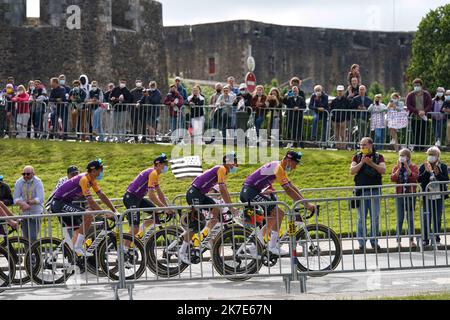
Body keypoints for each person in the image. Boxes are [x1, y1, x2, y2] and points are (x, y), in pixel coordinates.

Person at [240, 151, 316, 256]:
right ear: (288, 160)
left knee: (273, 217)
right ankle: (272, 246)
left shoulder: (280, 168)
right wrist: (307, 205)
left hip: (251, 191)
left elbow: (292, 186)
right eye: (295, 164)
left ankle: (255, 246)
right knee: (279, 213)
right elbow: (287, 189)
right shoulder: (278, 168)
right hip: (249, 192)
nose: (295, 168)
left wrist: (305, 202)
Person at [179, 153, 240, 264]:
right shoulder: (221, 168)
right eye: (235, 162)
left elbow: (224, 190)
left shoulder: (222, 171)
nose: (237, 165)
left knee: (216, 210)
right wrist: (231, 207)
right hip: (195, 194)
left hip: (200, 194)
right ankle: (182, 251)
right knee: (195, 225)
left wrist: (230, 206)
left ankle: (204, 236)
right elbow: (221, 189)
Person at [50, 159, 117, 256]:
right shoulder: (84, 179)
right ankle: (77, 248)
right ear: (94, 171)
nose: (102, 172)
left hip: (65, 203)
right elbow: (91, 201)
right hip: (59, 204)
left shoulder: (92, 180)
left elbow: (101, 195)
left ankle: (73, 256)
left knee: (78, 230)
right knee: (88, 216)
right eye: (101, 169)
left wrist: (114, 210)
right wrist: (105, 213)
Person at [123, 154, 173, 243]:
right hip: (131, 198)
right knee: (134, 228)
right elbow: (151, 196)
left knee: (156, 213)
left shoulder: (155, 174)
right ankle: (124, 250)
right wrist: (164, 208)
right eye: (165, 164)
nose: (166, 166)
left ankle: (139, 234)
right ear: (158, 164)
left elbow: (159, 193)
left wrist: (167, 207)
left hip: (138, 198)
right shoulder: (153, 173)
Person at [350, 137, 386, 250]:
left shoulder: (378, 156)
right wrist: (361, 162)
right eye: (361, 145)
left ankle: (374, 242)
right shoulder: (357, 156)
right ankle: (361, 242)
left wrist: (371, 164)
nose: (362, 147)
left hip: (375, 191)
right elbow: (352, 170)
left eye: (364, 144)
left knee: (374, 217)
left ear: (371, 145)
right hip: (361, 192)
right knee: (361, 218)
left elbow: (383, 170)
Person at [418, 147, 449, 247]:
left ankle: (436, 238)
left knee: (437, 218)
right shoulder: (423, 166)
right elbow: (420, 179)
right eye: (429, 154)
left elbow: (446, 179)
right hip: (427, 197)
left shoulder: (443, 166)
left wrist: (438, 174)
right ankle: (425, 239)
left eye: (433, 155)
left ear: (438, 156)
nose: (431, 157)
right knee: (426, 218)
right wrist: (427, 172)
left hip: (438, 196)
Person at [390, 148, 419, 248]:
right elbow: (393, 178)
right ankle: (398, 241)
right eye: (400, 156)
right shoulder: (396, 167)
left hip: (410, 195)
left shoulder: (414, 166)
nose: (401, 158)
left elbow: (415, 177)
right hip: (400, 195)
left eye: (403, 156)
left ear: (408, 157)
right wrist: (398, 168)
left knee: (410, 218)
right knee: (400, 218)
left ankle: (411, 240)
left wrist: (407, 167)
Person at [13, 166, 45, 242]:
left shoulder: (38, 181)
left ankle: (35, 253)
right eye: (23, 174)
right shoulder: (19, 182)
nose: (25, 176)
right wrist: (23, 204)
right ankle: (28, 254)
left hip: (35, 213)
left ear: (33, 174)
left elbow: (40, 198)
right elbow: (15, 199)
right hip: (24, 214)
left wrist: (27, 203)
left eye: (28, 174)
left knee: (33, 237)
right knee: (25, 238)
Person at [406, 78, 432, 150]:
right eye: (415, 85)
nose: (416, 86)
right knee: (415, 133)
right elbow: (408, 105)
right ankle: (416, 148)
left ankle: (422, 147)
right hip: (414, 117)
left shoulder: (426, 94)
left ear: (421, 85)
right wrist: (417, 112)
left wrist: (424, 111)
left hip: (424, 117)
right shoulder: (410, 95)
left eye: (418, 85)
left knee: (423, 133)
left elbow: (430, 104)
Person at [330, 85, 351, 150]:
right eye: (339, 91)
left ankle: (343, 147)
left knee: (342, 134)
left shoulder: (346, 100)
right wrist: (332, 119)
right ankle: (338, 147)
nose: (340, 92)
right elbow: (331, 110)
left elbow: (348, 110)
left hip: (343, 120)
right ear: (337, 91)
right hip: (335, 120)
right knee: (336, 134)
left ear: (343, 91)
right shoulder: (334, 101)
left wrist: (347, 119)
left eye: (341, 91)